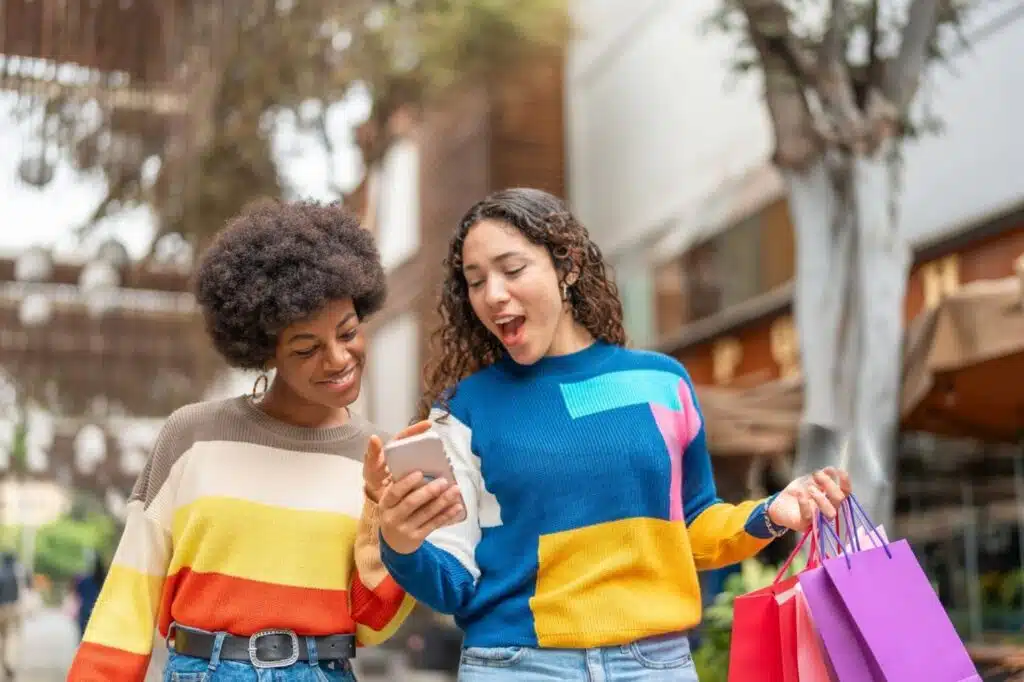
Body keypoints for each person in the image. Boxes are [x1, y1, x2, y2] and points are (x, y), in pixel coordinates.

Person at [366, 188, 852, 681]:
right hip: (517, 666)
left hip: (656, 666)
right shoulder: (465, 410)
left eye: (512, 270)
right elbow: (453, 584)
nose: (492, 294)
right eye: (475, 281)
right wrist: (400, 544)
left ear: (568, 266)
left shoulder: (663, 383)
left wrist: (771, 513)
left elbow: (694, 527)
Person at [68, 200, 424, 682]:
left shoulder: (380, 456)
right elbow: (128, 600)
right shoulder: (191, 434)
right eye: (307, 348)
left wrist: (399, 546)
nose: (339, 358)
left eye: (348, 332)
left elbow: (371, 627)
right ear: (265, 351)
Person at [72, 554, 107, 640]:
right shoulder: (105, 581)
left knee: (84, 639)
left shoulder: (84, 581)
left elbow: (77, 593)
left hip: (85, 612)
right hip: (99, 612)